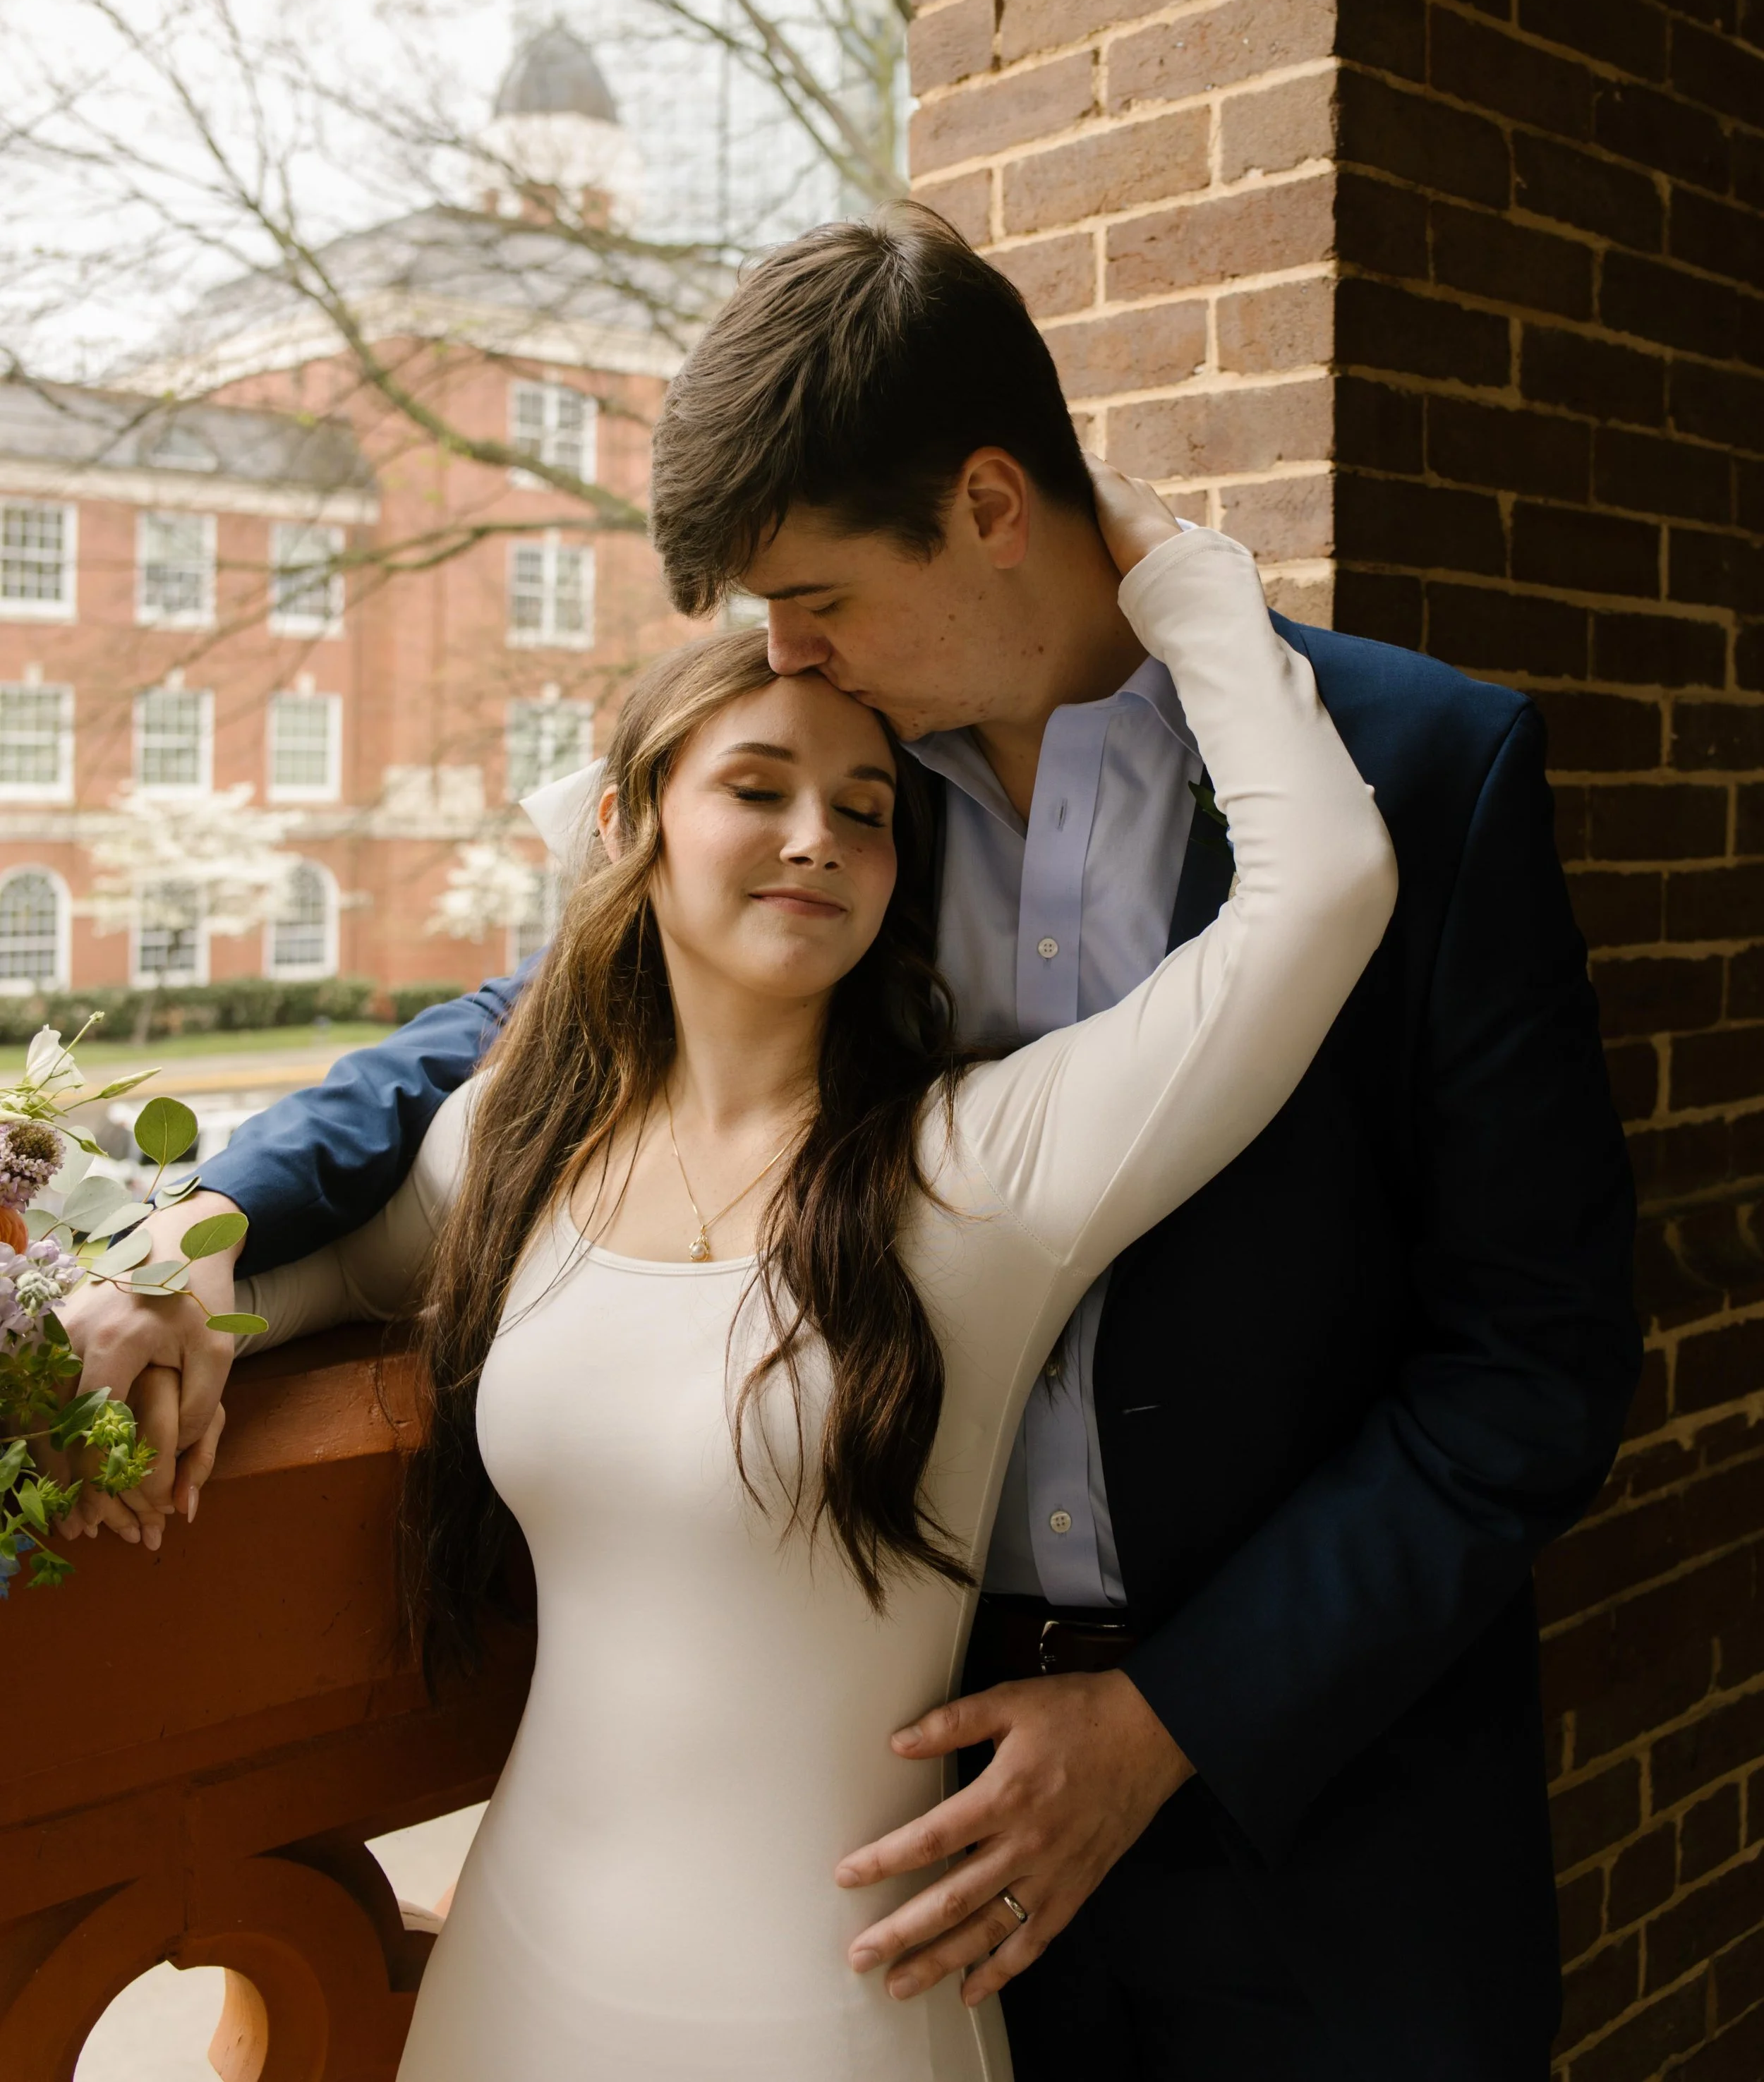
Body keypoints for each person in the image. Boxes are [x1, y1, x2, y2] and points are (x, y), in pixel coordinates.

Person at [64, 205, 1638, 2081]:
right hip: (891, 1846)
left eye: (811, 593)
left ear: (987, 504)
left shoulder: (1416, 766)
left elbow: (1527, 1364)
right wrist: (194, 1230)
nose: (780, 649)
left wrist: (1165, 1715)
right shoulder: (842, 785)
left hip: (1318, 1828)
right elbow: (511, 1036)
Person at [212, 490, 1391, 2081]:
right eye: (755, 789)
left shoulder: (978, 1171)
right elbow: (336, 1268)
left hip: (834, 1997)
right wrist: (161, 1317)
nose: (813, 841)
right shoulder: (520, 1135)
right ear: (627, 830)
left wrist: (1166, 574)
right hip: (516, 1971)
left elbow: (1317, 890)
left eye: (863, 811)